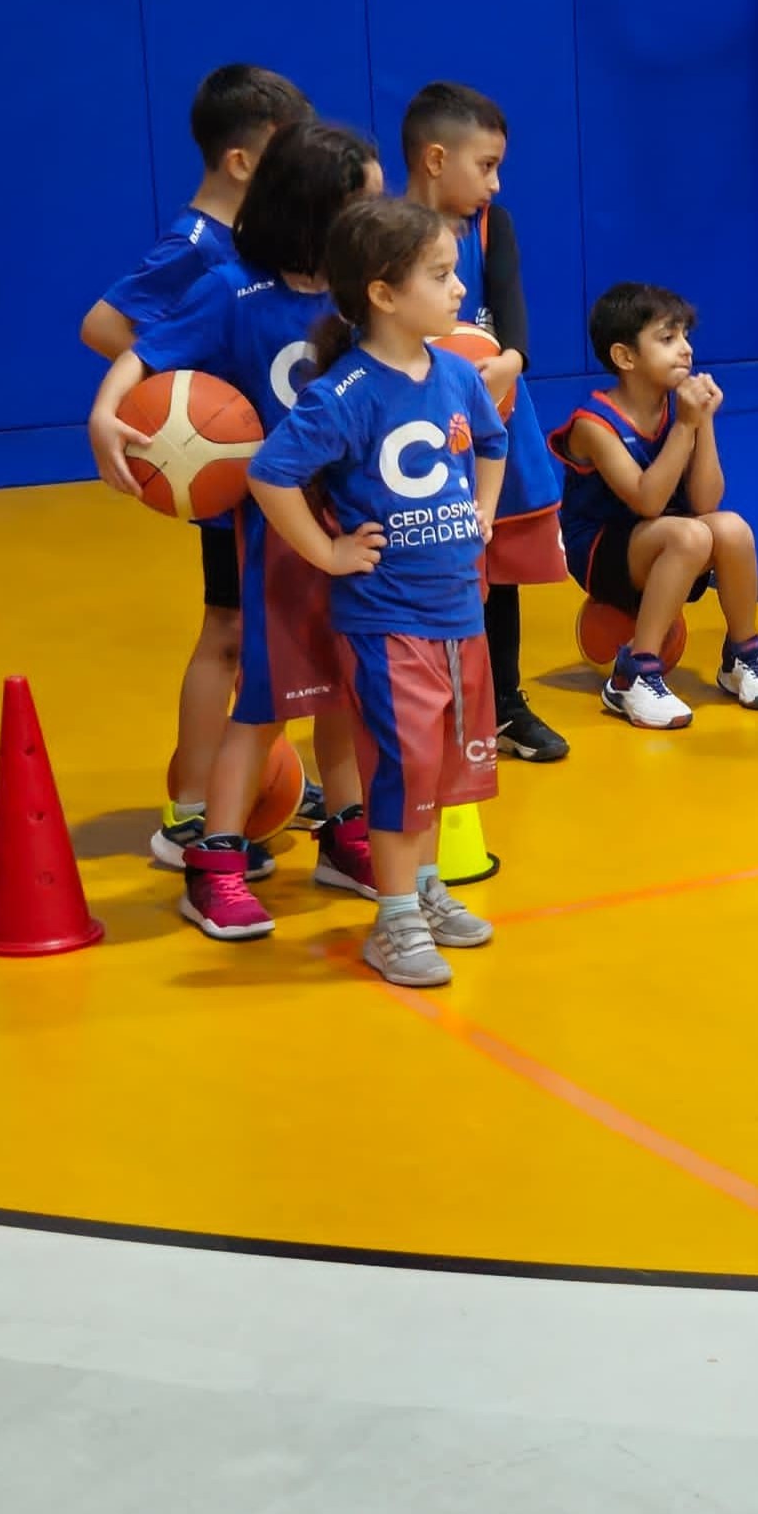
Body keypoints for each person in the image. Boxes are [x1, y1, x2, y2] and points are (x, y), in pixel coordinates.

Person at [87, 121, 379, 940]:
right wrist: (107, 412)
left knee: (349, 689)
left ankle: (346, 836)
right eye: (366, 199)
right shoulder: (230, 289)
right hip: (278, 532)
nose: (378, 213)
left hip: (360, 525)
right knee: (266, 701)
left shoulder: (362, 291)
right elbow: (143, 355)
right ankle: (212, 859)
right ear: (315, 209)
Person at [244, 200, 508, 988]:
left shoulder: (457, 374)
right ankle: (391, 922)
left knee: (437, 771)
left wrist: (485, 512)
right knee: (402, 767)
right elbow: (269, 473)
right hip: (388, 623)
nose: (459, 288)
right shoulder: (347, 391)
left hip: (459, 612)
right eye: (440, 274)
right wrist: (326, 550)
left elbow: (491, 441)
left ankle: (422, 892)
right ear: (383, 294)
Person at [77, 65, 318, 863]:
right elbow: (107, 326)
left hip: (272, 478)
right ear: (245, 163)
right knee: (227, 629)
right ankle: (189, 804)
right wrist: (200, 406)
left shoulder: (264, 252)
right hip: (234, 477)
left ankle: (235, 780)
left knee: (255, 628)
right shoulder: (198, 246)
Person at [398, 82, 572, 766]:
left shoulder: (493, 229)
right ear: (436, 158)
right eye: (486, 165)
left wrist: (511, 360)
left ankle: (504, 701)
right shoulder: (380, 232)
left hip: (491, 412)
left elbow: (512, 309)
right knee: (423, 564)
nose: (495, 183)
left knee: (492, 556)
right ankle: (424, 704)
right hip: (413, 430)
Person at [554, 283, 758, 728]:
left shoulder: (678, 408)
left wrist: (704, 423)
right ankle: (634, 675)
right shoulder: (593, 424)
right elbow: (647, 500)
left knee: (732, 527)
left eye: (684, 336)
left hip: (666, 539)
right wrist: (685, 426)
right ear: (625, 357)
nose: (685, 350)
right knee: (690, 533)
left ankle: (742, 657)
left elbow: (705, 500)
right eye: (667, 339)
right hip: (602, 554)